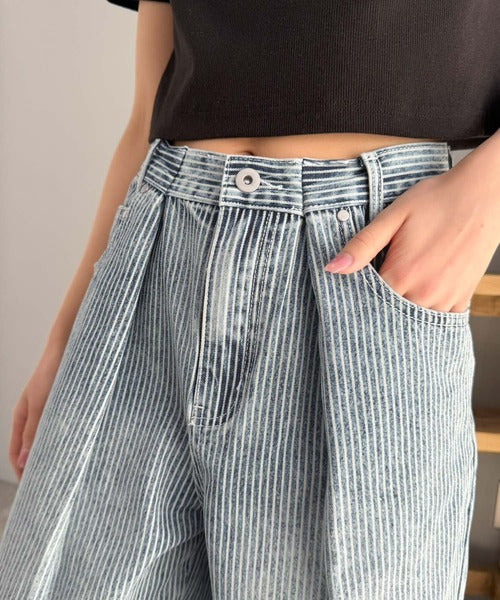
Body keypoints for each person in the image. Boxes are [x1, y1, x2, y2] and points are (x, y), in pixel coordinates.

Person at [0, 0, 499, 598]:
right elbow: (145, 120)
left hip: (357, 265)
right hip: (156, 257)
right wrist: (67, 336)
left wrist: (487, 197)